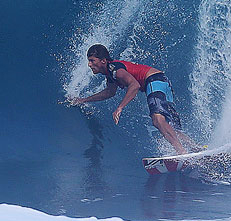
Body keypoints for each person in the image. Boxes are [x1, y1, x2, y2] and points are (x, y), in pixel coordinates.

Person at [66, 44, 197, 155]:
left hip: (154, 81)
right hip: (161, 81)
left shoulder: (115, 70)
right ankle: (194, 147)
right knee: (168, 124)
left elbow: (134, 85)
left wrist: (120, 107)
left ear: (103, 61)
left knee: (157, 119)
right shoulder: (111, 74)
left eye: (92, 60)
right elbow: (109, 93)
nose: (89, 64)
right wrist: (83, 100)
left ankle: (182, 153)